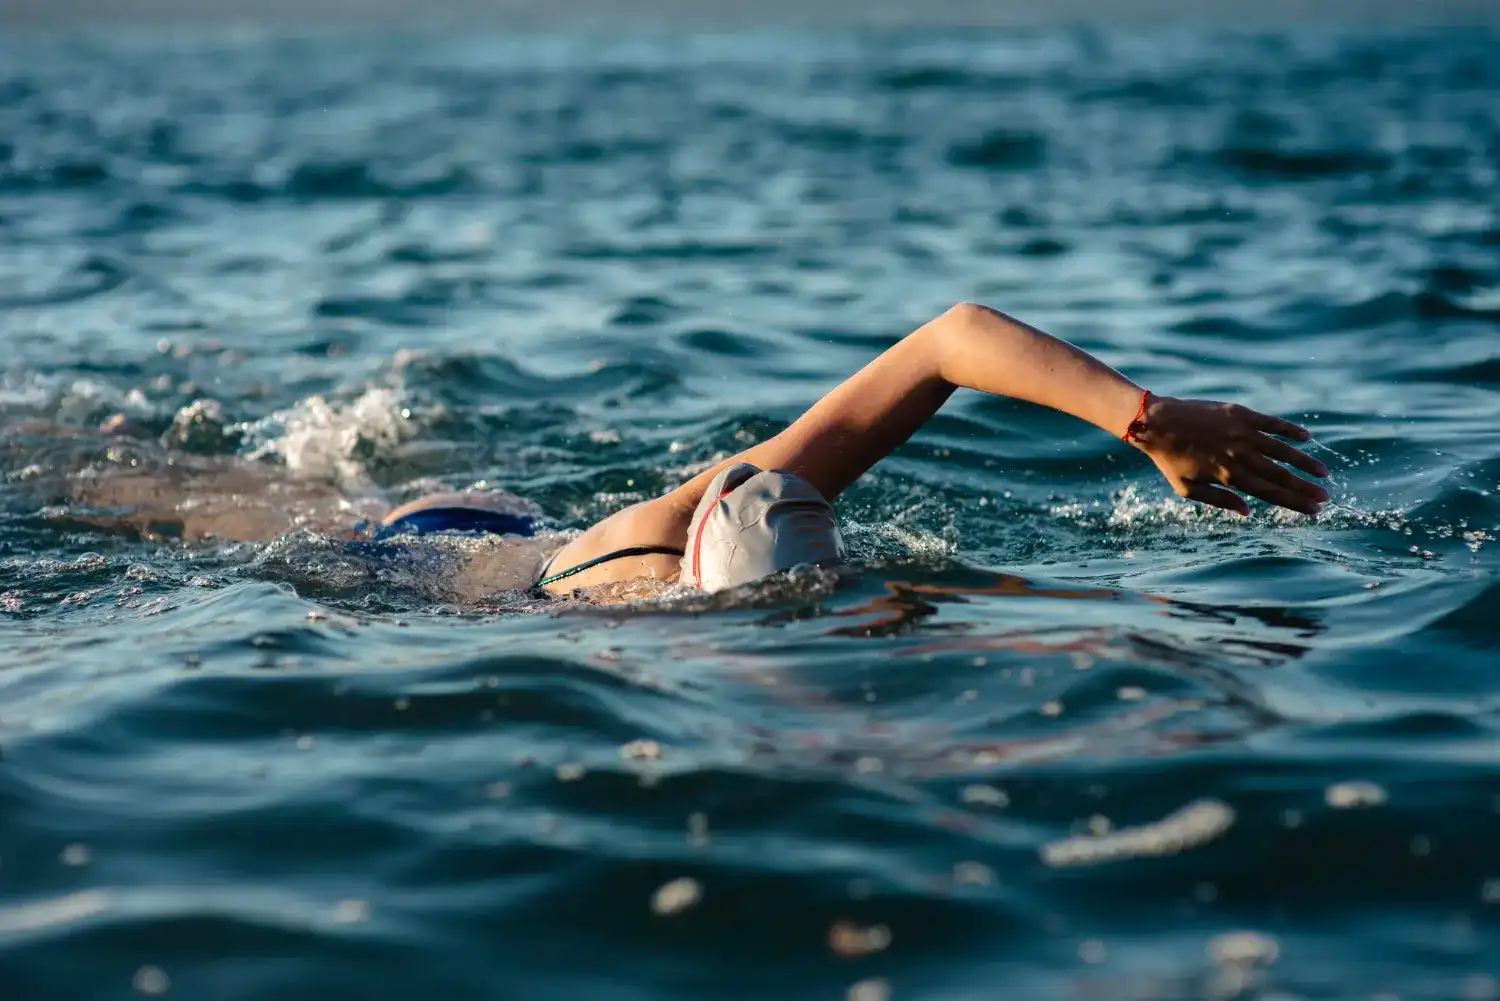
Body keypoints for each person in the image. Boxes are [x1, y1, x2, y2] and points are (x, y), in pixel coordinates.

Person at [374, 301, 1329, 597]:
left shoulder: (718, 502)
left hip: (500, 534)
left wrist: (1146, 419)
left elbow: (951, 339)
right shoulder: (653, 560)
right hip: (417, 547)